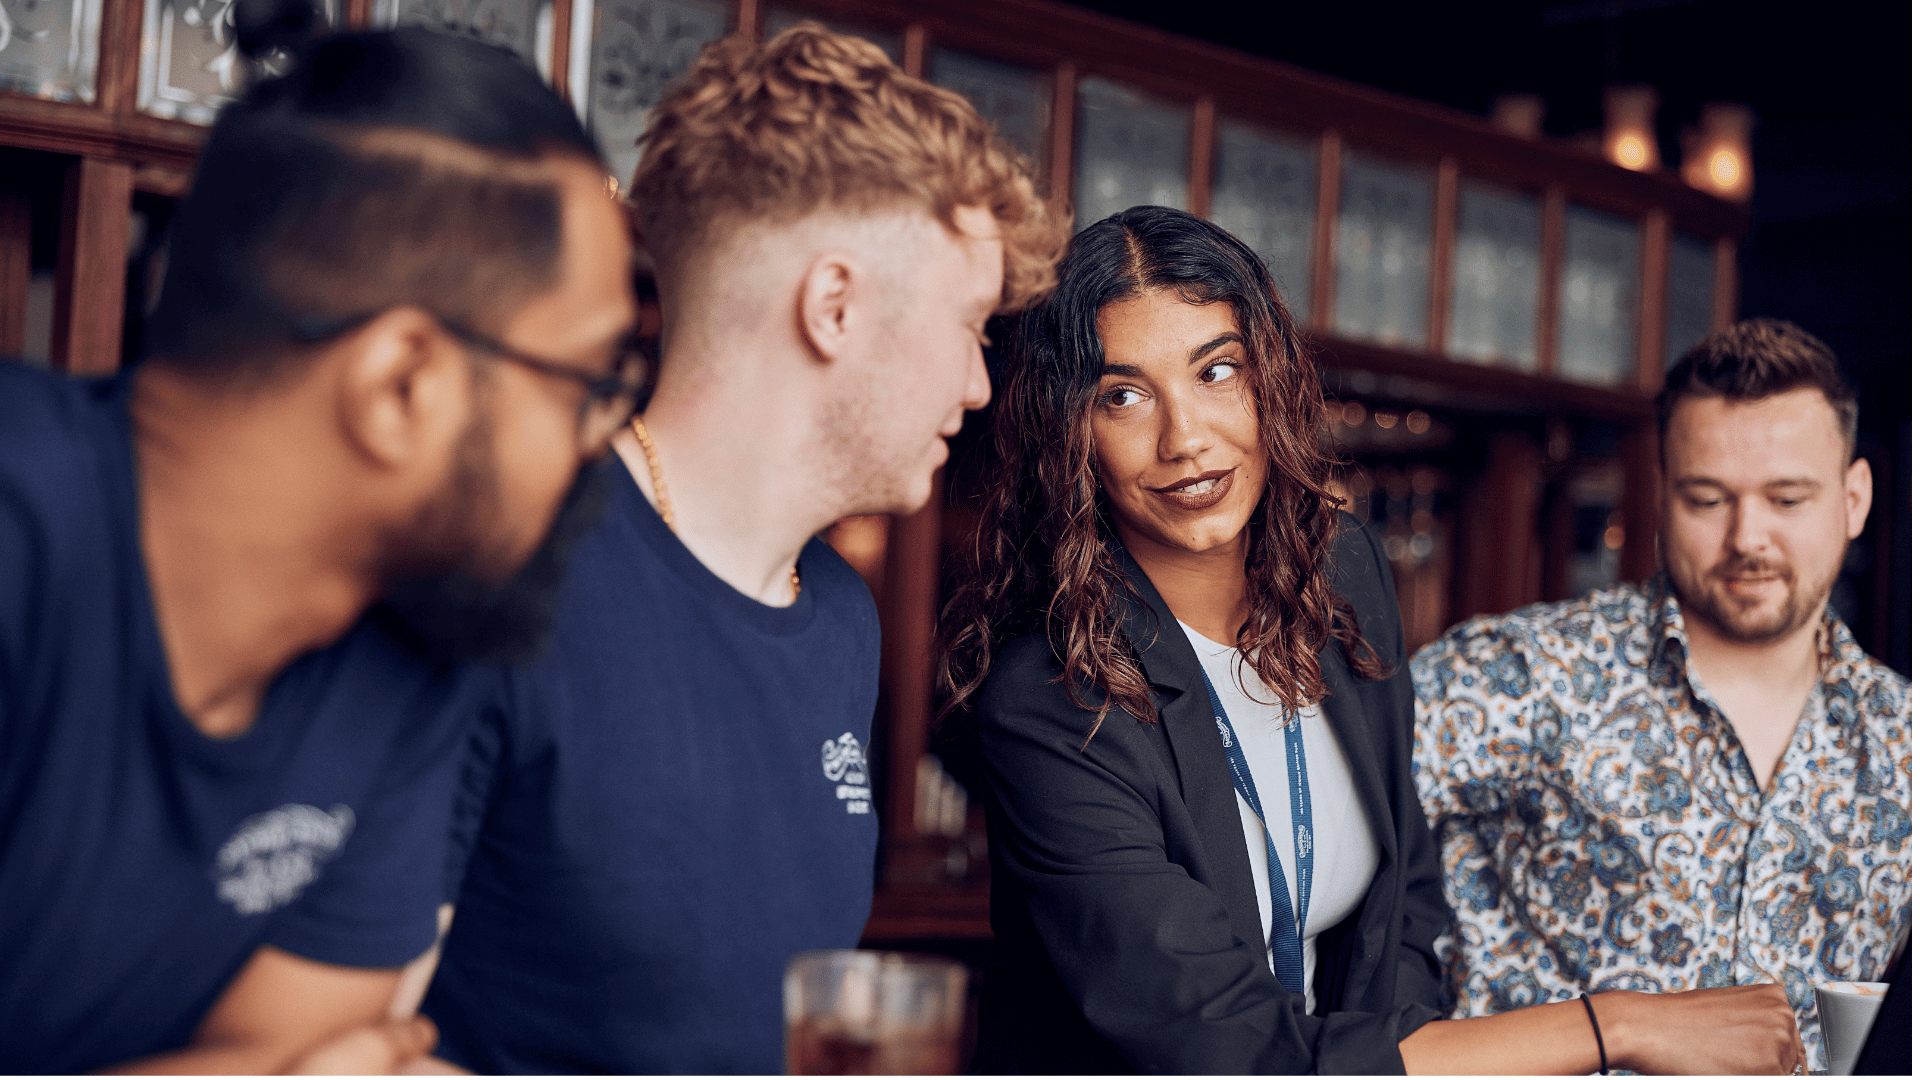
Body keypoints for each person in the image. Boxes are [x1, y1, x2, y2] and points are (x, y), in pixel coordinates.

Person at [937, 205, 1804, 1074]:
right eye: (1122, 396)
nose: (1185, 438)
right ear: (1069, 434)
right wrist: (1618, 1026)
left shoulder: (1339, 568)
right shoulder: (1050, 696)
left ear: (1269, 378)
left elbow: (1404, 898)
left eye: (1217, 372)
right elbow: (1229, 1048)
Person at [418, 25, 1064, 1073]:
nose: (980, 386)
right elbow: (329, 1044)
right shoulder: (496, 571)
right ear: (835, 308)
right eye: (971, 327)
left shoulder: (843, 619)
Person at [0, 28, 643, 1074]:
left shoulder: (420, 641)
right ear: (401, 387)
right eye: (586, 385)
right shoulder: (21, 533)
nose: (602, 438)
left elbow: (311, 1057)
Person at [1412, 319, 1909, 1072]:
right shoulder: (1518, 673)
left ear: (1855, 498)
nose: (1748, 538)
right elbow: (1293, 849)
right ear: (1661, 498)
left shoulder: (1903, 741)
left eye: (1788, 499)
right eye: (1709, 500)